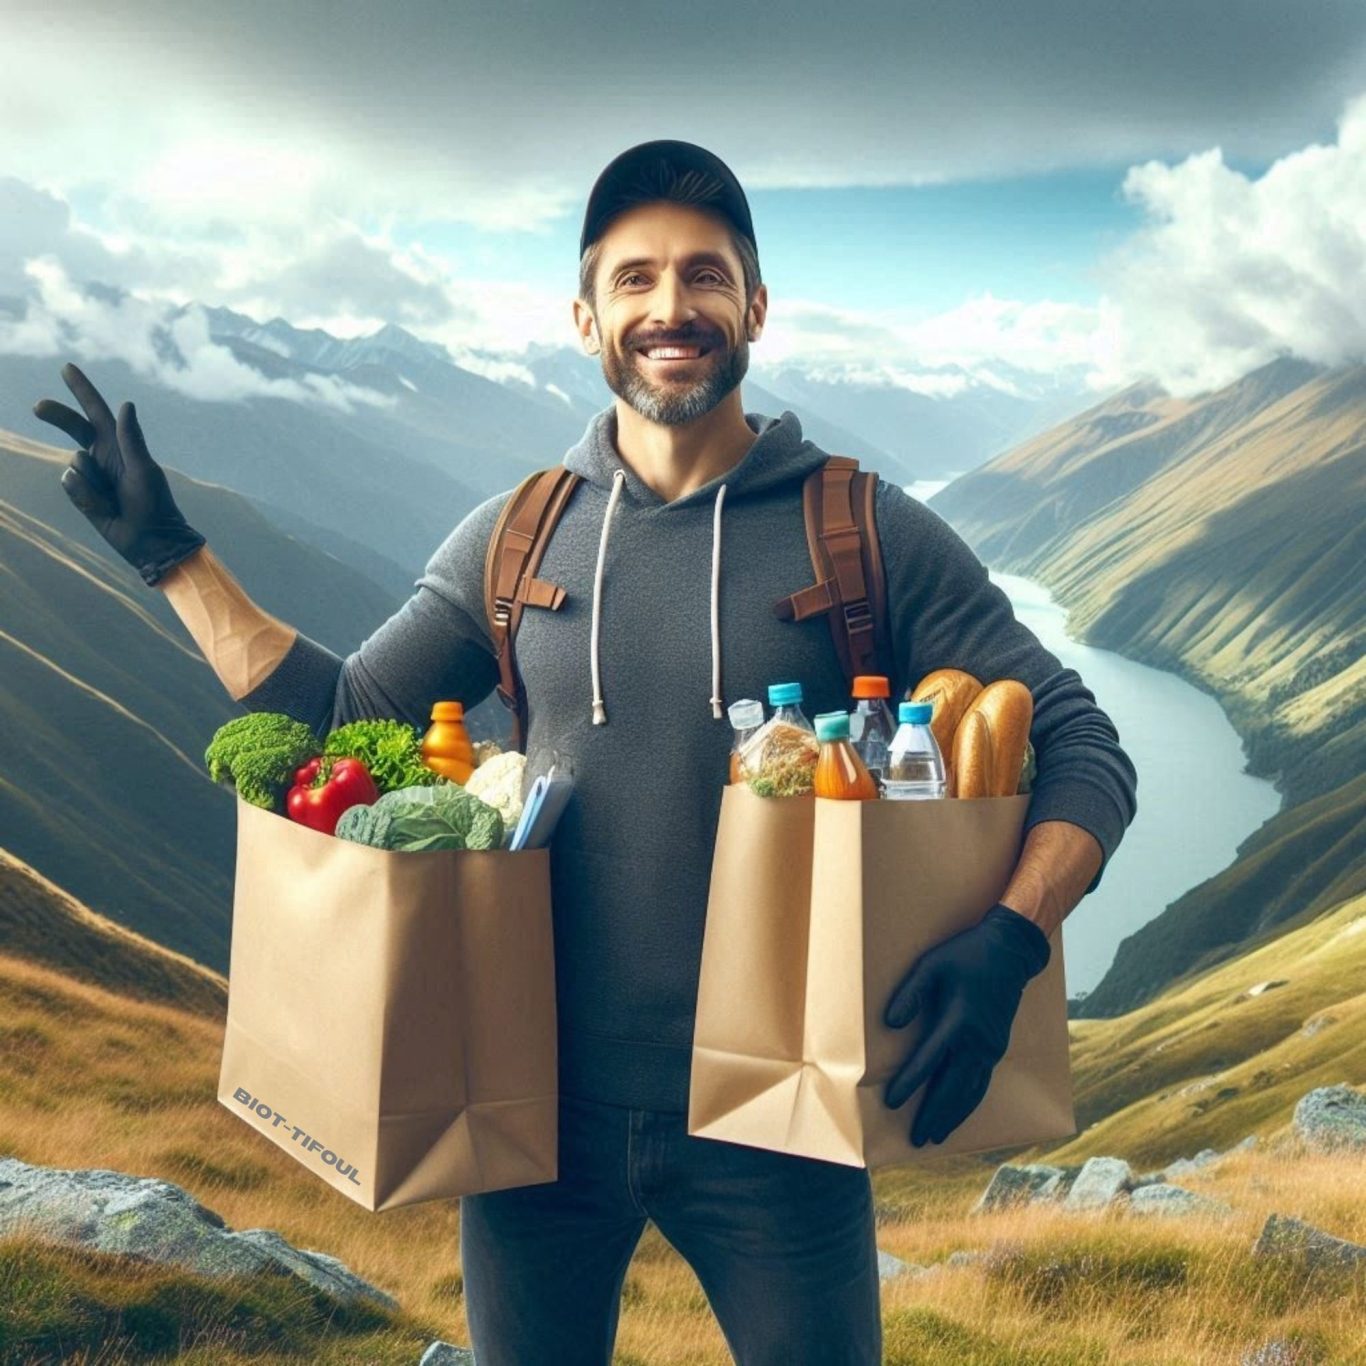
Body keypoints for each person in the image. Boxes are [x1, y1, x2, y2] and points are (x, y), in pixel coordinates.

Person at [36, 139, 1138, 1366]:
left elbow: (1084, 743)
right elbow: (352, 724)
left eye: (706, 277)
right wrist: (173, 560)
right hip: (527, 1111)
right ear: (585, 316)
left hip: (786, 1113)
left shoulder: (861, 528)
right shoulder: (515, 537)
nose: (672, 309)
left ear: (755, 306)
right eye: (636, 280)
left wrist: (1012, 936)